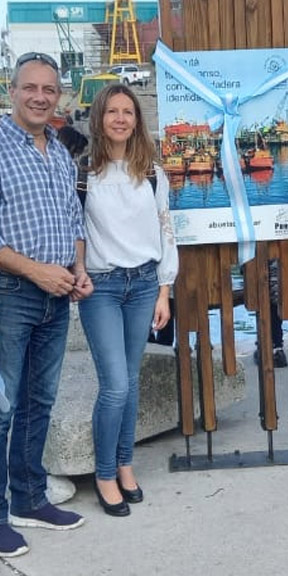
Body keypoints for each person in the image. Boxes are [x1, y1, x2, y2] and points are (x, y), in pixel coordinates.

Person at [0, 51, 90, 558]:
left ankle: (29, 499)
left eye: (48, 90)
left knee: (38, 404)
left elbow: (73, 222)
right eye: (30, 87)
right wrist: (36, 271)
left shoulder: (58, 149)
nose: (39, 97)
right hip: (11, 294)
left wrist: (77, 270)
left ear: (59, 97)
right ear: (12, 91)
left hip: (58, 298)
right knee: (1, 409)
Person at [76, 83, 178, 517]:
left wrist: (164, 290)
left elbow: (165, 231)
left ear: (137, 120)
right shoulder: (82, 172)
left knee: (131, 382)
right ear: (99, 118)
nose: (120, 118)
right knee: (115, 384)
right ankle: (103, 473)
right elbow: (75, 230)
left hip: (142, 285)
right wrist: (78, 272)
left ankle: (124, 463)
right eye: (112, 111)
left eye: (128, 112)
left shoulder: (152, 172)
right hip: (101, 286)